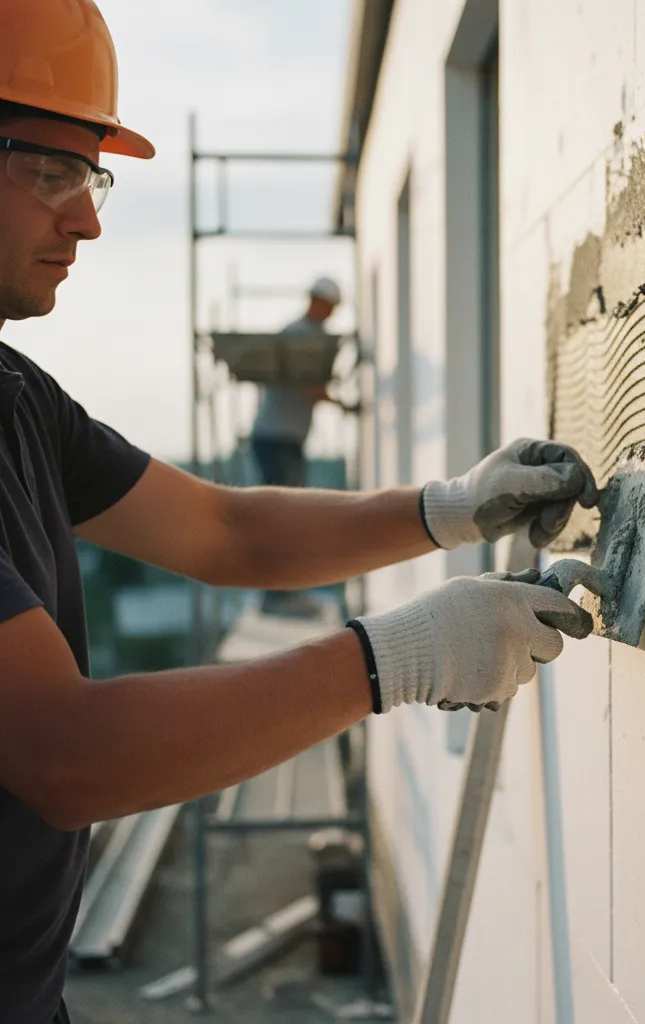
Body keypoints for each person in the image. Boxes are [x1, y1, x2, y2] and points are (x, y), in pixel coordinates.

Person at [0, 3, 598, 1022]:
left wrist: (446, 507)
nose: (91, 218)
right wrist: (398, 657)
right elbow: (67, 754)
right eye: (54, 170)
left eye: (90, 177)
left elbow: (227, 532)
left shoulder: (18, 401)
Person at [251, 276, 344, 617]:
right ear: (316, 301)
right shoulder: (299, 335)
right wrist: (345, 403)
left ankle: (279, 594)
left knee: (286, 516)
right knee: (283, 518)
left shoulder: (310, 335)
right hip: (277, 440)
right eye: (329, 306)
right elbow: (310, 386)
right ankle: (277, 597)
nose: (332, 313)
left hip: (283, 439)